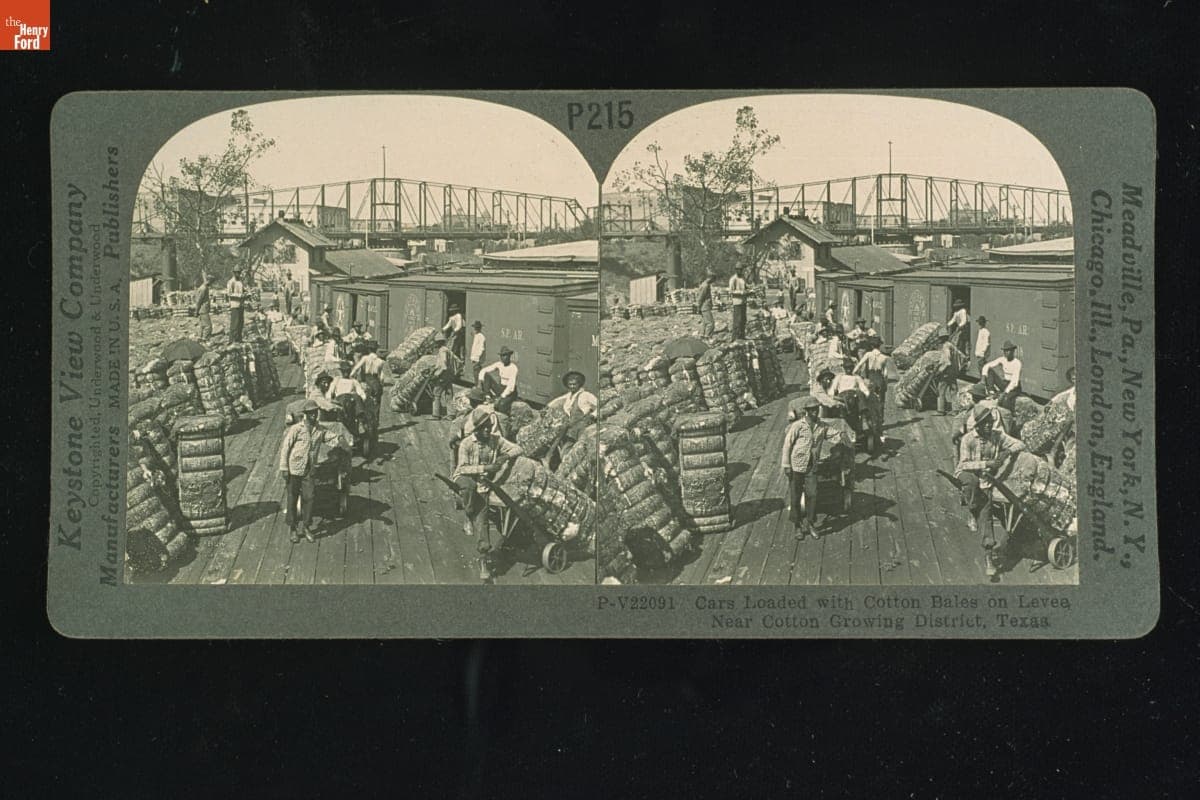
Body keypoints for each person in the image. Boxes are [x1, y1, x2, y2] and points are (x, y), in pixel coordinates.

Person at [453, 410, 524, 582]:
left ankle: (483, 557)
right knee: (469, 488)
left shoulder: (496, 440)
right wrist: (485, 468)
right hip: (466, 478)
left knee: (482, 520)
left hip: (484, 484)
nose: (487, 431)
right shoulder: (467, 444)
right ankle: (468, 513)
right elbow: (462, 468)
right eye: (483, 428)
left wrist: (504, 457)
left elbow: (518, 448)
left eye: (489, 427)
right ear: (476, 429)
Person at [955, 404, 1026, 577]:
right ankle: (972, 510)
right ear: (977, 425)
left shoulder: (997, 435)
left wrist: (1006, 452)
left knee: (986, 514)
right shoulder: (968, 439)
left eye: (990, 422)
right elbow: (963, 464)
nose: (988, 426)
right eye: (984, 423)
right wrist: (986, 464)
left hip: (988, 479)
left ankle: (988, 556)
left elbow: (1020, 444)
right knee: (971, 484)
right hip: (968, 473)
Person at [782, 395, 836, 539]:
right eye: (811, 410)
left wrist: (843, 436)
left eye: (816, 410)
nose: (815, 413)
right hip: (796, 465)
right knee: (795, 496)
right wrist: (786, 465)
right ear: (806, 411)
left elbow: (833, 434)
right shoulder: (798, 426)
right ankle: (797, 526)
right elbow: (787, 445)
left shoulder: (822, 426)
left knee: (813, 494)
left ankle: (811, 523)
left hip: (812, 465)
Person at [278, 399, 327, 543]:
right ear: (305, 415)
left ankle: (306, 526)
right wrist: (284, 468)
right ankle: (293, 528)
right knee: (292, 497)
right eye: (310, 414)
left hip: (309, 469)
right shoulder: (296, 429)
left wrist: (342, 440)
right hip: (294, 468)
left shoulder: (319, 430)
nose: (313, 416)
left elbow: (330, 436)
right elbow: (285, 448)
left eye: (315, 413)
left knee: (310, 497)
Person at [548, 370, 597, 467]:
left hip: (582, 429)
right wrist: (547, 408)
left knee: (581, 451)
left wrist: (594, 415)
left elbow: (599, 405)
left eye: (574, 384)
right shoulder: (569, 395)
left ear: (579, 384)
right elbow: (557, 400)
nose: (572, 386)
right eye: (570, 384)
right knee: (565, 451)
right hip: (572, 428)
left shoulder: (586, 395)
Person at [853, 337, 891, 454]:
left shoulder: (868, 354)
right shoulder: (884, 358)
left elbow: (859, 366)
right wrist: (885, 384)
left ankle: (868, 422)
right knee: (880, 404)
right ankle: (879, 424)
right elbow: (885, 374)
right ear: (879, 346)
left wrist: (855, 375)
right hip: (879, 381)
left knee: (867, 401)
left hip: (869, 381)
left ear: (871, 346)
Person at [350, 341, 388, 431]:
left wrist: (351, 376)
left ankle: (366, 424)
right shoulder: (380, 361)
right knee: (377, 404)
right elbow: (381, 377)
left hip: (367, 381)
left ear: (369, 349)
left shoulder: (365, 358)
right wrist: (380, 385)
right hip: (376, 382)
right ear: (376, 350)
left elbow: (356, 368)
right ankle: (375, 423)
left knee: (365, 402)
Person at [981, 340, 1022, 411]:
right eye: (1005, 351)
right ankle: (991, 392)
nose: (1006, 353)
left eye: (1008, 351)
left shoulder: (1017, 363)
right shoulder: (1003, 359)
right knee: (990, 371)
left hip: (1014, 388)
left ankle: (1011, 414)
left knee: (1006, 400)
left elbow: (1014, 382)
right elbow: (987, 365)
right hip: (1005, 383)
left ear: (1013, 351)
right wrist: (983, 377)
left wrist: (1005, 393)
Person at [478, 346, 519, 414]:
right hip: (501, 388)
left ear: (509, 356)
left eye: (506, 355)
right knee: (486, 375)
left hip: (510, 392)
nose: (504, 357)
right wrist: (480, 381)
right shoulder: (499, 364)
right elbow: (484, 370)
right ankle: (488, 397)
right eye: (502, 356)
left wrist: (501, 397)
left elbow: (510, 387)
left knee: (501, 406)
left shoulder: (513, 368)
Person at [933, 330, 965, 415]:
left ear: (942, 338)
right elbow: (961, 356)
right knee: (953, 391)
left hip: (947, 372)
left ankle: (941, 410)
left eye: (939, 338)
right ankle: (955, 410)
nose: (938, 340)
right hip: (953, 372)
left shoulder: (945, 347)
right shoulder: (952, 346)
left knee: (941, 390)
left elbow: (947, 362)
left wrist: (939, 371)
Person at [430, 333, 456, 420]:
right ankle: (451, 414)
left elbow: (444, 365)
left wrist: (437, 374)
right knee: (449, 394)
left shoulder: (442, 351)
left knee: (436, 394)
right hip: (449, 375)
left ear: (438, 342)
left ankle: (436, 414)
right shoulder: (447, 350)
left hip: (443, 375)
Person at [442, 304, 466, 372]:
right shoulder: (452, 317)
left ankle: (461, 361)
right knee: (453, 346)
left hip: (459, 333)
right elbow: (448, 324)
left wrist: (454, 331)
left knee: (460, 347)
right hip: (455, 333)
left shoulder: (458, 316)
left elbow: (459, 326)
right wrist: (443, 329)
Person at [728, 265, 749, 339]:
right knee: (737, 320)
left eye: (741, 269)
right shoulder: (733, 279)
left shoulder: (743, 278)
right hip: (737, 302)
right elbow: (730, 291)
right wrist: (740, 292)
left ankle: (742, 336)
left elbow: (746, 287)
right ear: (736, 270)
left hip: (743, 301)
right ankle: (735, 338)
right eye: (739, 269)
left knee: (743, 320)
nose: (740, 271)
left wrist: (749, 289)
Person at [226, 269, 246, 342]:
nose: (238, 274)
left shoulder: (240, 281)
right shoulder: (231, 282)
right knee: (234, 323)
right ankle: (232, 340)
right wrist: (239, 295)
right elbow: (229, 294)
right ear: (234, 273)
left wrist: (247, 292)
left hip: (241, 304)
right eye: (237, 272)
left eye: (239, 272)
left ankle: (239, 339)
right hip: (235, 304)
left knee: (240, 323)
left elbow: (243, 290)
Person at [193, 275, 213, 339]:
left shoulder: (205, 288)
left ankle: (200, 338)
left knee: (202, 326)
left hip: (203, 309)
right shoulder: (203, 289)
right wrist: (196, 311)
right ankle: (205, 339)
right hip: (203, 310)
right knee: (208, 326)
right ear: (208, 280)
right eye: (211, 282)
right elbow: (199, 301)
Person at [697, 273, 716, 337]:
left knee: (705, 323)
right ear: (710, 278)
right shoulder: (705, 286)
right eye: (713, 279)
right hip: (705, 307)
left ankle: (702, 335)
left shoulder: (705, 285)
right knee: (710, 323)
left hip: (704, 306)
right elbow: (701, 297)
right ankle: (708, 336)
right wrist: (698, 307)